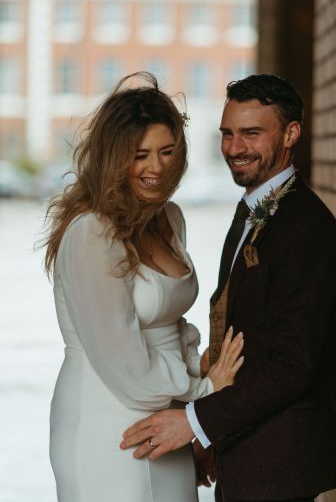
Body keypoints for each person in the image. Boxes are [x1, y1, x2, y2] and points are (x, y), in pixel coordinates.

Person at [120, 73, 336, 502]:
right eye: (227, 133)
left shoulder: (307, 226)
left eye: (251, 133)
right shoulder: (251, 209)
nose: (234, 148)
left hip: (281, 458)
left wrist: (195, 421)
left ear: (291, 134)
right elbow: (242, 332)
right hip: (245, 445)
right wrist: (216, 438)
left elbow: (293, 363)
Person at [44, 72, 244, 502]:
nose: (156, 168)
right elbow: (123, 360)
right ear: (114, 158)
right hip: (108, 419)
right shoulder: (92, 233)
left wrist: (198, 368)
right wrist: (204, 394)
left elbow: (172, 324)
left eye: (167, 152)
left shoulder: (170, 218)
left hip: (167, 414)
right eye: (140, 155)